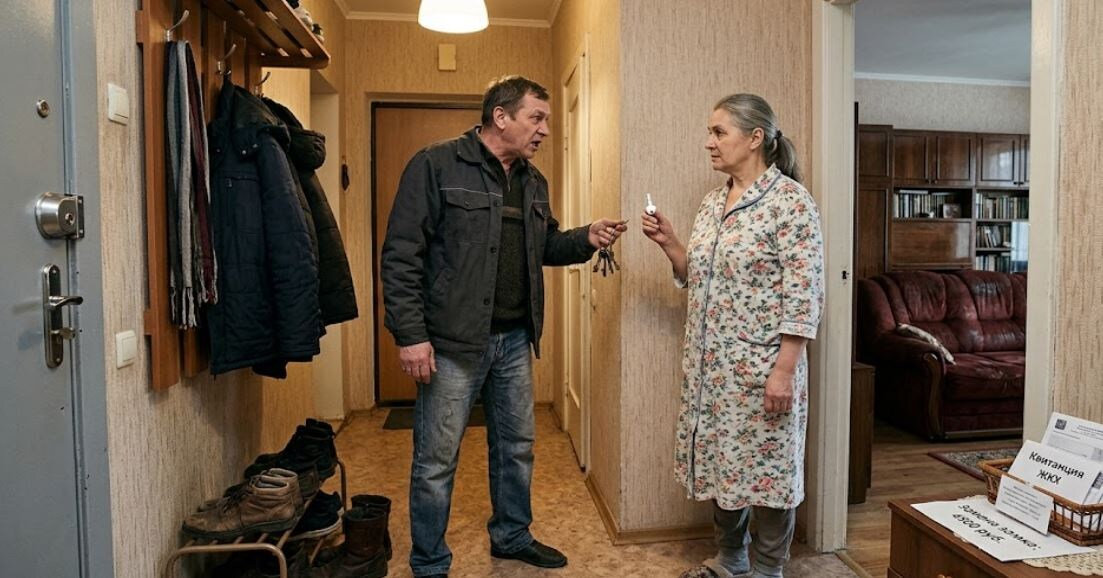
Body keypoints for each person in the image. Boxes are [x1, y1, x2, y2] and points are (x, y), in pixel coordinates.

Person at [381, 75, 628, 578]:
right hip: (452, 344)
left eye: (546, 121)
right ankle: (429, 562)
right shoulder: (435, 164)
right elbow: (401, 256)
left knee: (516, 448)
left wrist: (587, 237)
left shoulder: (533, 181)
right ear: (501, 116)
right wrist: (411, 336)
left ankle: (512, 536)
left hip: (515, 340)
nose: (544, 131)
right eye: (536, 118)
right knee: (436, 460)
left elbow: (546, 246)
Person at [641, 94, 825, 578]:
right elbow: (699, 276)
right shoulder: (712, 202)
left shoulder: (790, 203)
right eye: (711, 132)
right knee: (723, 465)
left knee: (770, 473)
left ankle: (767, 569)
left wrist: (783, 372)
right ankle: (731, 559)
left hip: (764, 371)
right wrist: (671, 243)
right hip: (712, 373)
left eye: (719, 132)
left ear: (755, 137)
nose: (709, 142)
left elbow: (804, 295)